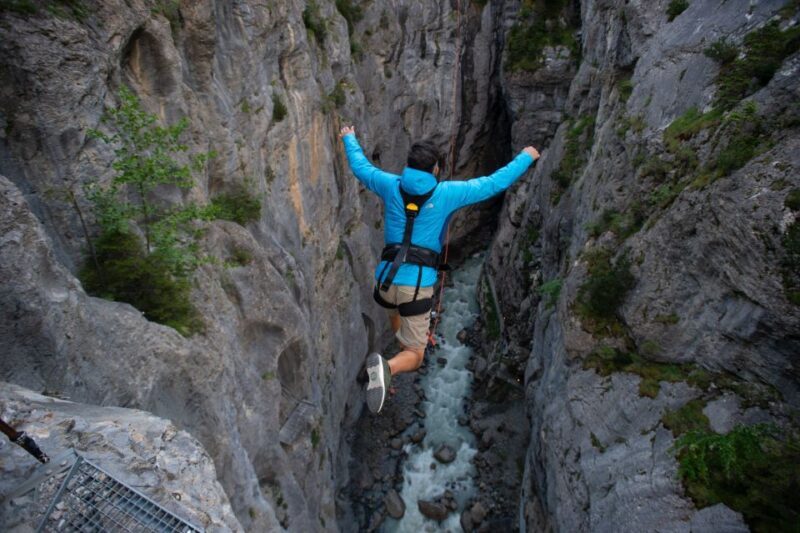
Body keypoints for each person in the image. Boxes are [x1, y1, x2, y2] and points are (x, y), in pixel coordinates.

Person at [340, 125, 539, 413]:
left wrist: (349, 137)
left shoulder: (389, 184)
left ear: (409, 166)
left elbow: (361, 167)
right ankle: (386, 367)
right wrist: (525, 156)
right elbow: (494, 183)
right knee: (416, 356)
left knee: (402, 322)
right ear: (435, 169)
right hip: (415, 286)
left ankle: (398, 352)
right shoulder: (447, 193)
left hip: (385, 282)